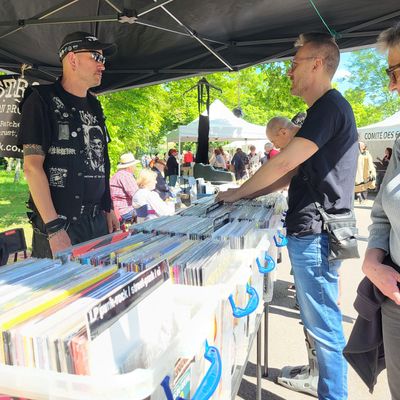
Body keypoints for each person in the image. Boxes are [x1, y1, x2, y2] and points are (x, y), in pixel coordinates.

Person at [217, 32, 358, 399]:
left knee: (324, 328)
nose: (289, 71)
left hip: (317, 232)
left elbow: (287, 160)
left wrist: (236, 191)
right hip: (313, 232)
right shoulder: (322, 111)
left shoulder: (329, 107)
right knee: (319, 323)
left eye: (294, 63)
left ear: (317, 63)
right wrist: (241, 195)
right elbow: (289, 174)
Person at [18, 31, 119, 258]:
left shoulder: (95, 105)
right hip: (60, 224)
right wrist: (54, 229)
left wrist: (108, 207)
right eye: (96, 57)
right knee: (62, 291)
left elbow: (101, 161)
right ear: (72, 59)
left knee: (99, 287)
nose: (102, 65)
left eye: (103, 59)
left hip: (97, 220)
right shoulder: (40, 100)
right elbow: (32, 167)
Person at [360, 22, 400, 399]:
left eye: (395, 72)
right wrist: (373, 261)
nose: (390, 85)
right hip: (394, 298)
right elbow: (382, 214)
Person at [110, 152, 139, 223]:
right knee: (151, 211)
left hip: (116, 210)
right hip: (125, 211)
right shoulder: (126, 175)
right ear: (130, 166)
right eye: (135, 165)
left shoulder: (117, 175)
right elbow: (136, 196)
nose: (135, 167)